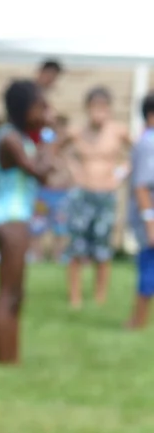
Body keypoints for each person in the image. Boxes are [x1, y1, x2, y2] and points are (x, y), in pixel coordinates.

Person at [0, 80, 57, 364]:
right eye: (40, 106)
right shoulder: (10, 138)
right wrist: (49, 136)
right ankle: (4, 361)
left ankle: (10, 359)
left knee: (16, 293)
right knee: (9, 293)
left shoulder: (17, 136)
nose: (44, 111)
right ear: (23, 107)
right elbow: (40, 172)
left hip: (14, 216)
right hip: (10, 217)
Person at [64, 86, 132, 308]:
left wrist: (119, 175)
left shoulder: (118, 131)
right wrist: (73, 171)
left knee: (103, 247)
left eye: (103, 108)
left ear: (109, 109)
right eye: (95, 108)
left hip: (106, 193)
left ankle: (100, 297)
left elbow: (136, 154)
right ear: (87, 108)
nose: (99, 113)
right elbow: (60, 150)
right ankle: (75, 297)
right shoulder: (77, 132)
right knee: (77, 246)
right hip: (83, 193)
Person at [128, 92, 154, 331]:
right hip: (150, 218)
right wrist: (150, 222)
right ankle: (137, 320)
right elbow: (142, 186)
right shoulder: (149, 143)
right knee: (149, 266)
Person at [33, 113, 75, 263]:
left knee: (60, 227)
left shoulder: (69, 149)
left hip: (62, 193)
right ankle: (36, 256)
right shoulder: (44, 144)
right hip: (44, 192)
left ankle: (59, 257)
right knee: (37, 227)